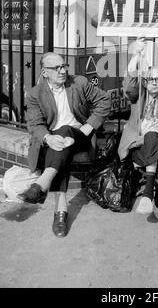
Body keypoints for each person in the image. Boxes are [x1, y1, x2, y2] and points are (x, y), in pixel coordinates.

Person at [18, 52, 111, 237]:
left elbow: (105, 101)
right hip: (56, 142)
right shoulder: (35, 94)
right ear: (45, 72)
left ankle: (42, 185)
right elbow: (35, 124)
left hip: (79, 136)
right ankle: (61, 211)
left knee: (65, 130)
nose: (62, 71)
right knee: (59, 143)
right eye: (56, 68)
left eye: (64, 66)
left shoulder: (79, 83)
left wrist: (89, 126)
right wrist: (47, 138)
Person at [118, 38, 158, 225]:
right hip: (137, 145)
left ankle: (149, 194)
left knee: (156, 139)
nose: (154, 83)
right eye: (150, 79)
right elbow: (129, 83)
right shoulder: (139, 95)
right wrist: (136, 56)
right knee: (157, 143)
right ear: (145, 82)